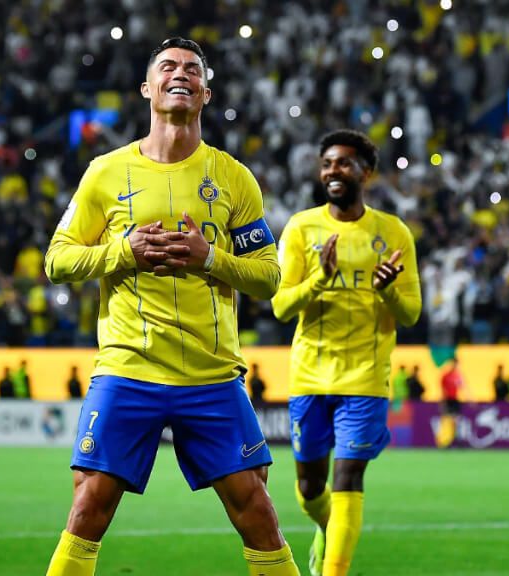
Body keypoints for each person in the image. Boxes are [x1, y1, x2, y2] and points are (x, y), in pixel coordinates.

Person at [43, 38, 298, 576]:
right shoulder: (105, 173)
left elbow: (269, 278)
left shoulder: (233, 177)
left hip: (210, 374)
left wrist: (211, 259)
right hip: (128, 369)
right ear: (147, 88)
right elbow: (58, 260)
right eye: (167, 67)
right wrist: (123, 252)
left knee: (256, 509)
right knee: (89, 505)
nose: (179, 74)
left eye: (191, 69)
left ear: (206, 91)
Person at [271, 129, 421, 576]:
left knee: (349, 477)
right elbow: (280, 306)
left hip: (366, 378)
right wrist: (320, 278)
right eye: (327, 164)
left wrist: (387, 291)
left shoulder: (393, 233)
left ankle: (333, 569)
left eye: (343, 163)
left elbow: (410, 313)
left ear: (366, 172)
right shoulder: (302, 227)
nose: (333, 171)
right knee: (309, 487)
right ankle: (327, 527)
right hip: (310, 375)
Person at [437, 358, 463, 449]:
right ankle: (444, 441)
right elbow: (442, 390)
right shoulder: (446, 376)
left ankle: (453, 441)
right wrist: (442, 402)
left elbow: (463, 387)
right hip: (447, 400)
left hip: (455, 400)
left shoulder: (458, 376)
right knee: (446, 420)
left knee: (455, 421)